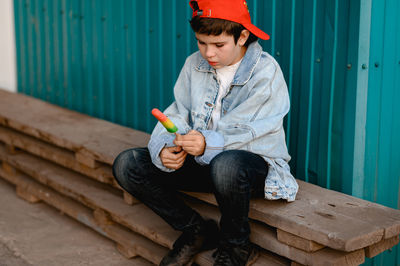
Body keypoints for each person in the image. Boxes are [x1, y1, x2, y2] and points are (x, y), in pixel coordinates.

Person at [112, 0, 298, 265]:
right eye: (201, 42)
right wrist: (166, 148)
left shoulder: (266, 72)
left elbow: (247, 129)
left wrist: (206, 143)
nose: (209, 53)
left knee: (227, 164)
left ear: (242, 36)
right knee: (128, 164)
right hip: (202, 162)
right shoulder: (194, 64)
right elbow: (178, 112)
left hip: (249, 168)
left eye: (219, 45)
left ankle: (237, 248)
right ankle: (195, 230)